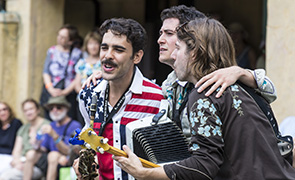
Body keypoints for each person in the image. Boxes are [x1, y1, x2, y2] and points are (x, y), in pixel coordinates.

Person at [113, 17, 295, 180]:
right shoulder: (246, 84)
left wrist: (146, 174)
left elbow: (204, 165)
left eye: (178, 47)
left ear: (195, 53)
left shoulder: (204, 95)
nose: (173, 55)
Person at [84, 5, 277, 140]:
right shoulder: (170, 83)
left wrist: (241, 73)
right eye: (160, 33)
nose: (160, 40)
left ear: (192, 38)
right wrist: (114, 77)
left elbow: (270, 93)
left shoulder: (223, 76)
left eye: (168, 34)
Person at [73, 18, 164, 180]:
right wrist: (84, 159)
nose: (108, 55)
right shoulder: (88, 94)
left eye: (118, 50)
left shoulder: (157, 98)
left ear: (136, 57)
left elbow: (166, 160)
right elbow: (89, 138)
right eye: (104, 47)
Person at [26, 96, 82, 180]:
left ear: (66, 109)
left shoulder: (74, 125)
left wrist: (54, 135)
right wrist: (36, 142)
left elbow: (69, 151)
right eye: (51, 108)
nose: (54, 110)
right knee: (30, 154)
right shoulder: (51, 125)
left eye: (58, 107)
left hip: (67, 160)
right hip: (50, 161)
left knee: (53, 155)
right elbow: (44, 149)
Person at [0, 98, 50, 180]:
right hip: (21, 164)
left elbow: (45, 150)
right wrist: (17, 162)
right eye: (25, 110)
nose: (28, 112)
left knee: (5, 177)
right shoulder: (23, 128)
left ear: (38, 110)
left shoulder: (47, 126)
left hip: (37, 165)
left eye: (31, 109)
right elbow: (16, 150)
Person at [41, 24, 83, 121]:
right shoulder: (52, 51)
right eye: (59, 35)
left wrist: (65, 92)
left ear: (70, 41)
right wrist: (50, 88)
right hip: (51, 91)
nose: (59, 38)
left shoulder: (77, 53)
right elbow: (46, 71)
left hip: (68, 93)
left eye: (63, 37)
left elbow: (78, 75)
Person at [0, 101, 22, 175]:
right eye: (0, 111)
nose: (2, 113)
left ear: (9, 111)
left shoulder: (16, 123)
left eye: (4, 109)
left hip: (10, 157)